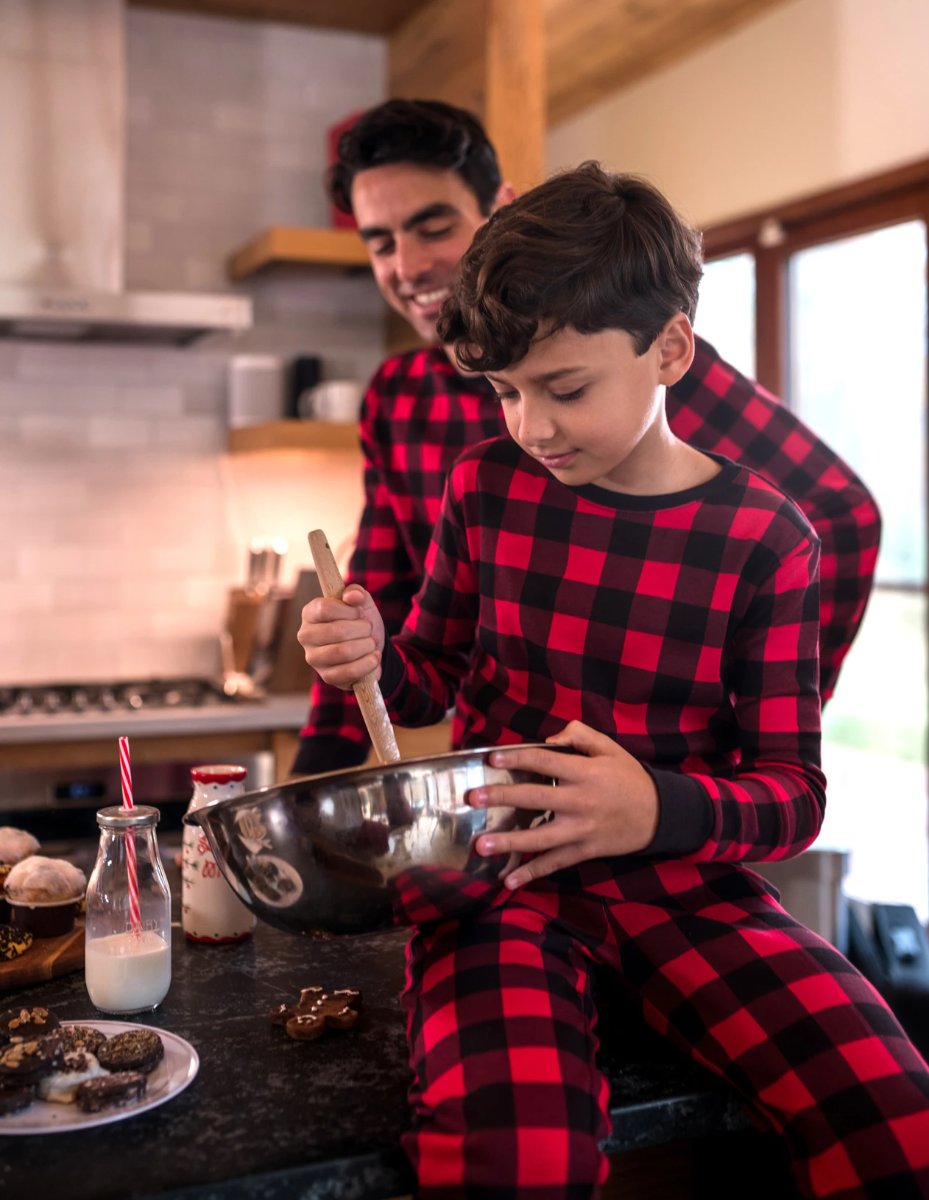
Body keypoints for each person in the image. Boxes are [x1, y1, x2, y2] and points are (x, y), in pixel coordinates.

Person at [298, 164, 929, 1199]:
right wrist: (372, 651)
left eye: (565, 388)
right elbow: (425, 683)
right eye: (504, 392)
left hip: (688, 890)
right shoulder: (483, 489)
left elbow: (792, 795)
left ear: (668, 349)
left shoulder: (766, 536)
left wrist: (655, 805)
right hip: (496, 882)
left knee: (895, 1124)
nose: (530, 427)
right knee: (516, 1161)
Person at [291, 98, 880, 776]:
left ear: (500, 209)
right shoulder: (401, 401)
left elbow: (840, 511)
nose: (408, 266)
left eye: (432, 228)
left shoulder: (645, 360)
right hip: (501, 794)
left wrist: (755, 727)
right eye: (381, 242)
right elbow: (379, 598)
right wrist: (312, 773)